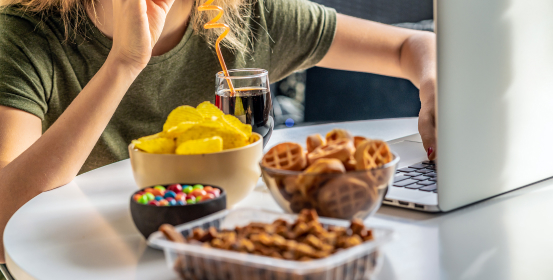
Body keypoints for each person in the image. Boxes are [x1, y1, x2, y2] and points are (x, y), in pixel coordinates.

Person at [0, 0, 436, 265]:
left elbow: (411, 47)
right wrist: (125, 63)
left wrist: (433, 88)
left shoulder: (246, 16)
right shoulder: (26, 37)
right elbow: (4, 226)